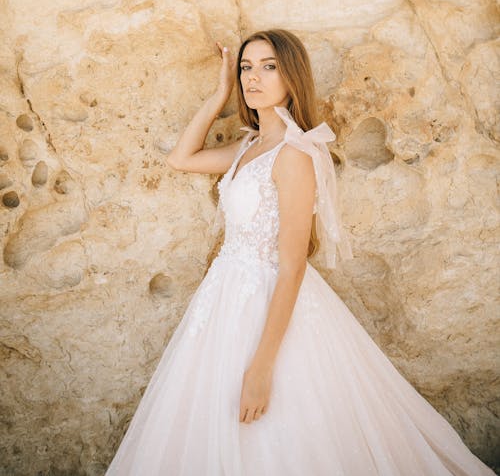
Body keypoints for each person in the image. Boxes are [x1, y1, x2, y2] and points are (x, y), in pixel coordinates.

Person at [105, 28, 495, 475]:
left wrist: (261, 369)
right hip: (223, 301)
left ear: (292, 77)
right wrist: (219, 94)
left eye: (269, 67)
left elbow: (291, 266)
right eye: (246, 68)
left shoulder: (295, 154)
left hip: (271, 302)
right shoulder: (249, 147)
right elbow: (181, 158)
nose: (254, 78)